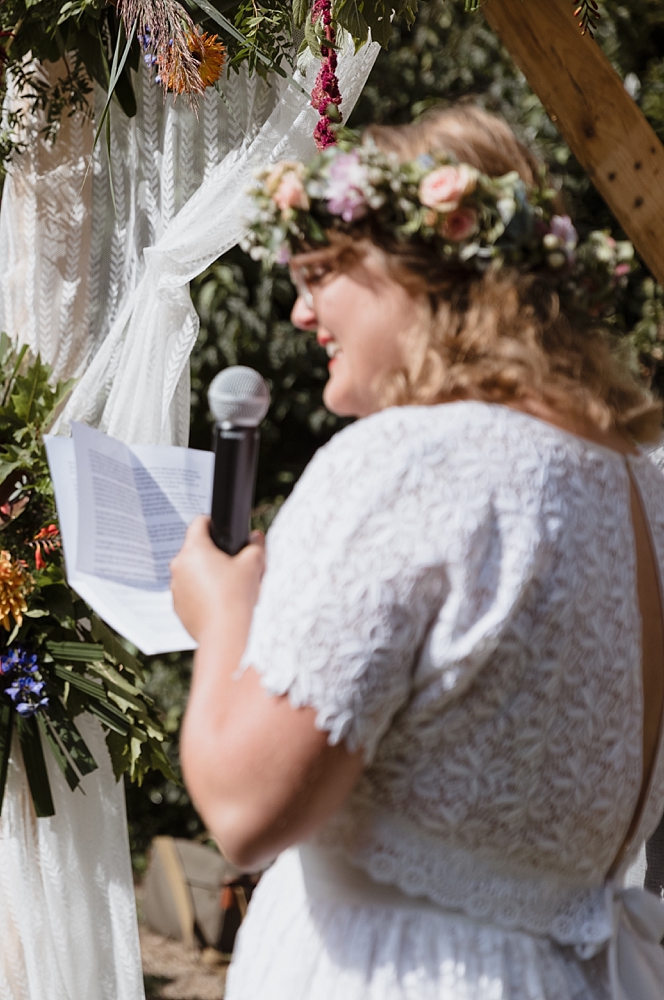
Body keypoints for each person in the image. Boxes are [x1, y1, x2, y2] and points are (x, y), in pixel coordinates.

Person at [169, 105, 664, 998]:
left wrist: (222, 613)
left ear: (427, 274)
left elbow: (245, 810)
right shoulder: (642, 486)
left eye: (323, 272)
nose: (300, 306)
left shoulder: (410, 459)